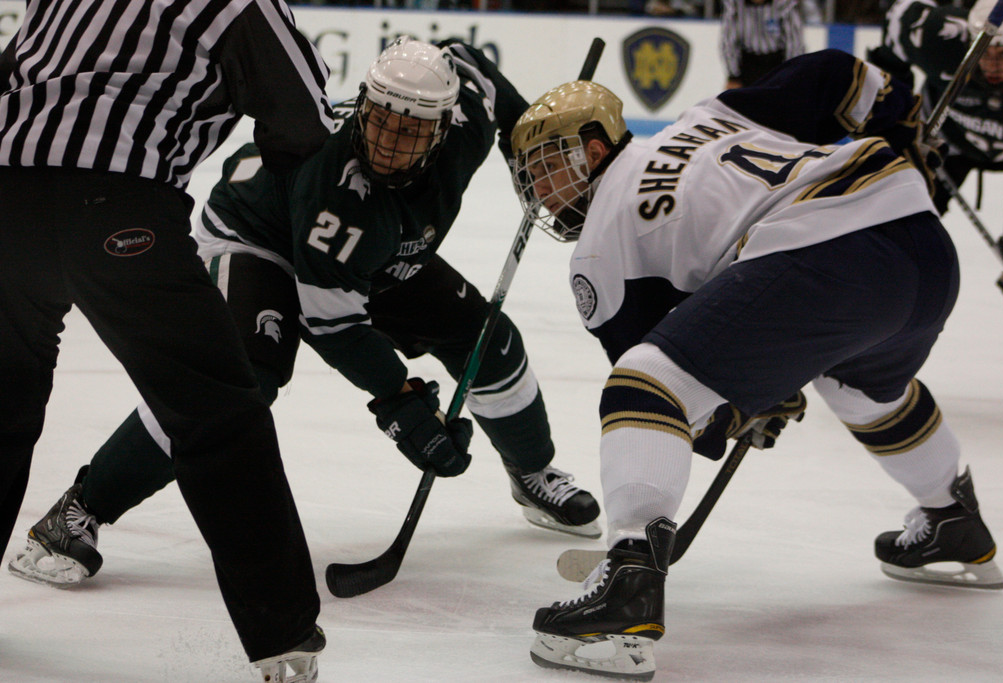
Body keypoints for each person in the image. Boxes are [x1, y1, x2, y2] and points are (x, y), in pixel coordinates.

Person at [7, 36, 600, 590]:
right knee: (244, 375)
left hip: (376, 248)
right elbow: (334, 325)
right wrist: (402, 402)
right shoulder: (335, 181)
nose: (389, 143)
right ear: (363, 107)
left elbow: (480, 72)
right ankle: (79, 511)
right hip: (258, 237)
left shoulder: (466, 103)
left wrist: (536, 161)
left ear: (445, 125)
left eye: (410, 130)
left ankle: (533, 472)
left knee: (486, 339)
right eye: (380, 122)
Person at [509, 48, 1003, 680]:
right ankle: (953, 519)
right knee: (865, 389)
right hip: (918, 241)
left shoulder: (599, 254)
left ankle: (626, 586)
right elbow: (833, 74)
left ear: (596, 148)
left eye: (549, 167)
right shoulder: (707, 115)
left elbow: (675, 409)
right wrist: (904, 118)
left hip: (828, 254)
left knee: (644, 383)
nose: (542, 193)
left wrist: (741, 406)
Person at [0, 1, 335, 680]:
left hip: (7, 194)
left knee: (1, 401)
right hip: (118, 206)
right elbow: (302, 117)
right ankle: (282, 635)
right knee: (216, 409)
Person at [870, 0, 1003, 316]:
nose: (992, 64)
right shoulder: (939, 36)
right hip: (945, 141)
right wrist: (894, 113)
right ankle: (874, 289)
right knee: (899, 220)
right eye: (985, 52)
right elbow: (900, 17)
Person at [720, 0, 806, 89]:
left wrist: (791, 73)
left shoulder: (784, 4)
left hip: (778, 64)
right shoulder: (735, 4)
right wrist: (733, 76)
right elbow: (729, 42)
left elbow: (795, 43)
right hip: (747, 65)